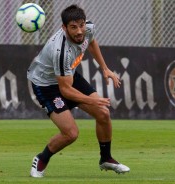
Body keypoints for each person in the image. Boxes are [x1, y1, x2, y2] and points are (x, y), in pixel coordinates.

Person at [27, 4, 130, 178]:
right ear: (64, 28)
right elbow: (65, 90)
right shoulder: (60, 51)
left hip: (69, 75)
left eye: (81, 25)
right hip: (46, 85)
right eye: (73, 27)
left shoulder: (88, 28)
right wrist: (92, 101)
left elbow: (92, 42)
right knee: (71, 133)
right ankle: (41, 158)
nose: (79, 31)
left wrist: (104, 68)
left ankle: (106, 158)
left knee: (103, 114)